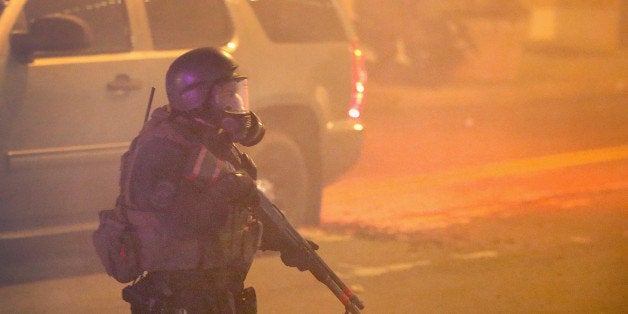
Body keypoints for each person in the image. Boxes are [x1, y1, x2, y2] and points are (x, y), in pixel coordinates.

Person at [116, 47, 307, 313]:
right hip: (179, 296)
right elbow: (175, 225)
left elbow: (237, 215)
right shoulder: (161, 148)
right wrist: (226, 191)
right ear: (195, 97)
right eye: (226, 95)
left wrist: (285, 242)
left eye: (236, 94)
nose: (235, 104)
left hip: (217, 291)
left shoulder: (211, 141)